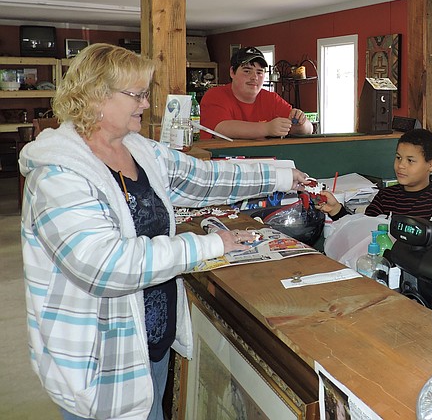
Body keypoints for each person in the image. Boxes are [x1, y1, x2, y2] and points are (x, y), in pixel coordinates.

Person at [18, 44, 310, 420]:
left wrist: (283, 176)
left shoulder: (138, 150)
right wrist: (206, 245)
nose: (145, 104)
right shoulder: (57, 175)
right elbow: (105, 266)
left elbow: (205, 177)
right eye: (137, 95)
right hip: (100, 361)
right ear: (96, 96)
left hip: (151, 345)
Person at [317, 128, 432, 223]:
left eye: (410, 160)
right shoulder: (385, 196)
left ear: (431, 164)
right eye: (398, 158)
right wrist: (336, 210)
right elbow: (363, 231)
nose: (401, 165)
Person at [199, 46, 313, 139]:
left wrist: (301, 123)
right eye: (247, 71)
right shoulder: (215, 95)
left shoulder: (271, 98)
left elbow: (308, 129)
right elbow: (221, 128)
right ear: (232, 72)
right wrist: (267, 128)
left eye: (259, 72)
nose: (254, 77)